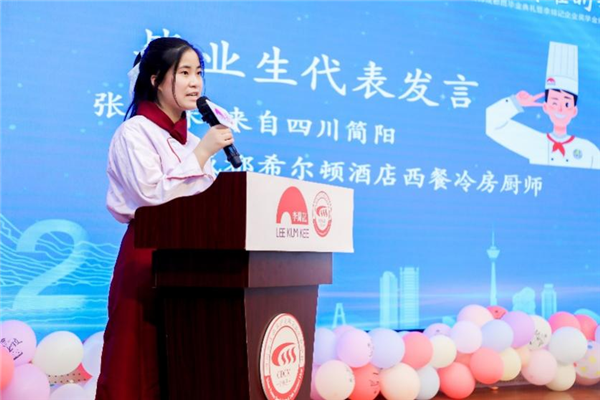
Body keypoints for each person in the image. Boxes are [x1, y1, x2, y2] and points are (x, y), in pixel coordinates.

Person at [96, 37, 233, 400]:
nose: (195, 83)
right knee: (136, 368)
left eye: (199, 73)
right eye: (184, 73)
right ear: (156, 79)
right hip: (148, 259)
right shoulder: (134, 132)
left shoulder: (191, 141)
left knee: (185, 366)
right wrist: (203, 153)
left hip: (193, 263)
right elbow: (151, 196)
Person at [485, 41, 600, 169]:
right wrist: (515, 103)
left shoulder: (588, 150)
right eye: (554, 102)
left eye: (567, 103)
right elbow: (491, 124)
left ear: (574, 111)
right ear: (545, 107)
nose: (560, 109)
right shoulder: (534, 143)